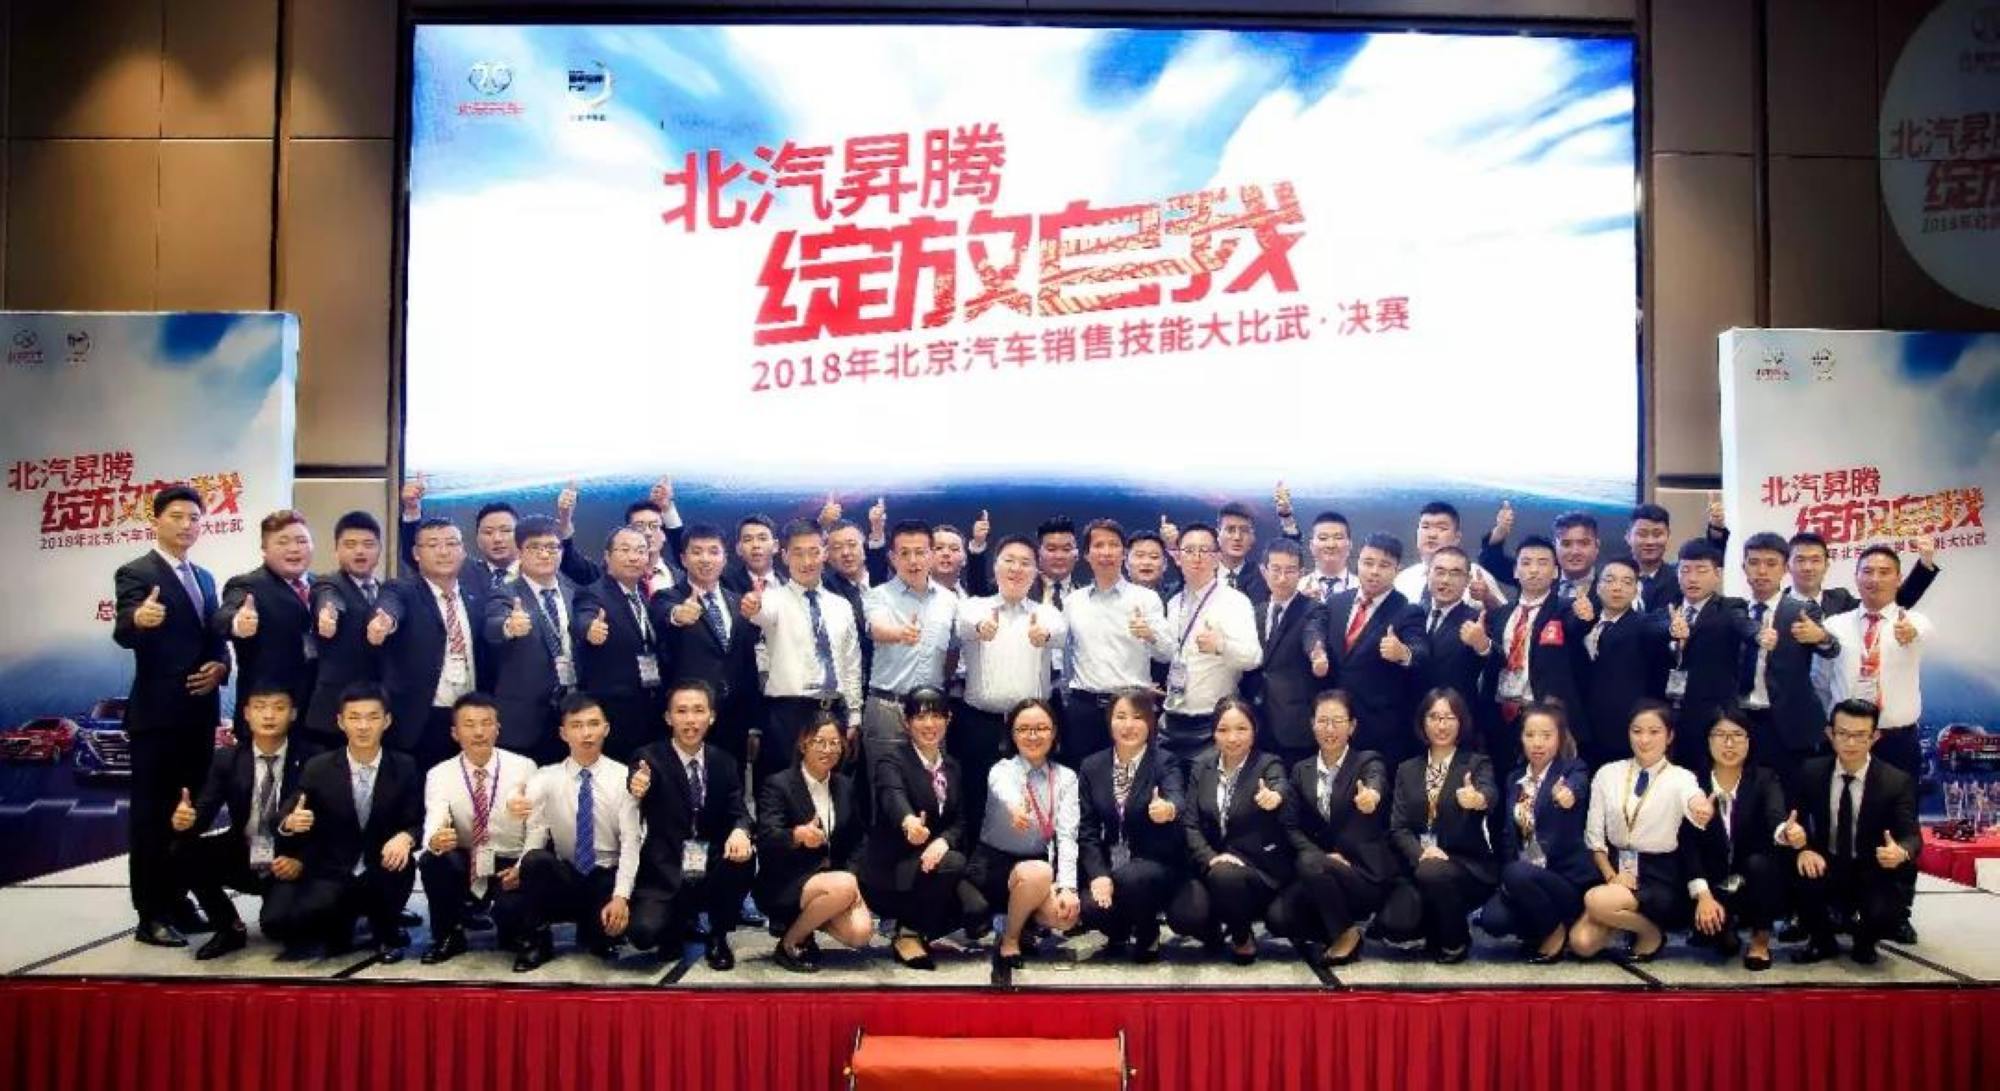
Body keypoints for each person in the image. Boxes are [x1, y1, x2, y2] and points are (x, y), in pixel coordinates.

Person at [113, 484, 230, 947]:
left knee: (190, 813)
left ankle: (179, 900)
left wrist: (220, 667)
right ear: (156, 520)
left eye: (195, 518)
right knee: (152, 816)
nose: (187, 525)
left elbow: (215, 637)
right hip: (158, 718)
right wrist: (137, 620)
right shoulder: (136, 571)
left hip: (199, 717)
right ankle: (151, 914)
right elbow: (125, 626)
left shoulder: (204, 577)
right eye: (177, 516)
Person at [262, 683, 421, 962]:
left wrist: (406, 837)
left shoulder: (405, 766)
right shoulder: (319, 767)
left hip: (382, 868)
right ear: (340, 721)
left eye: (372, 717)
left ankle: (385, 927)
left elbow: (417, 820)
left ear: (386, 721)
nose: (363, 726)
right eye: (354, 717)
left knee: (398, 864)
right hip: (333, 871)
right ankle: (343, 920)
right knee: (279, 925)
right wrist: (290, 822)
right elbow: (281, 818)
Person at [169, 682, 309, 960]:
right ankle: (229, 927)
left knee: (278, 927)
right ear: (246, 713)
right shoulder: (228, 758)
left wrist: (301, 860)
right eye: (260, 707)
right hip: (244, 851)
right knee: (182, 850)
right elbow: (204, 813)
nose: (269, 715)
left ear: (293, 713)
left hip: (289, 859)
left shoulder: (311, 760)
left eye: (279, 707)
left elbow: (331, 826)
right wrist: (185, 821)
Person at [1569, 700, 1715, 962]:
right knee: (1581, 944)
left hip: (1658, 873)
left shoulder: (1681, 777)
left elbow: (1693, 798)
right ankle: (1632, 923)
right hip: (1616, 869)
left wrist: (1701, 807)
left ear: (1669, 736)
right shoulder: (1607, 773)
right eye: (1637, 731)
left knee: (1596, 901)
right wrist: (1612, 876)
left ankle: (1649, 933)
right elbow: (1594, 838)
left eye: (1654, 732)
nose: (1644, 739)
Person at [626, 680, 755, 970]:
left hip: (710, 863)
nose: (690, 719)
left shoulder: (724, 761)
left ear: (712, 716)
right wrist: (637, 783)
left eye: (698, 710)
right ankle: (677, 922)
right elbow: (637, 778)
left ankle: (718, 935)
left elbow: (739, 811)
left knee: (744, 856)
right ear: (668, 717)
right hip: (666, 867)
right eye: (681, 711)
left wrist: (740, 830)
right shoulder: (649, 758)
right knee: (643, 934)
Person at [511, 693, 643, 971]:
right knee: (535, 861)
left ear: (606, 728)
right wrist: (521, 864)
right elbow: (535, 825)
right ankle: (537, 942)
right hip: (568, 873)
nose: (586, 733)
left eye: (593, 724)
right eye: (577, 725)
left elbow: (631, 843)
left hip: (605, 875)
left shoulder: (623, 778)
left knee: (602, 940)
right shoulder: (547, 776)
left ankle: (594, 927)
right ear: (563, 733)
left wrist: (621, 897)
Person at [1784, 699, 1921, 966]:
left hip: (1873, 865)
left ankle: (1865, 941)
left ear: (1875, 737)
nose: (1850, 743)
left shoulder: (1895, 781)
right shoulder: (1811, 771)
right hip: (1826, 861)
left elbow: (1912, 836)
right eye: (1843, 734)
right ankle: (1821, 940)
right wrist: (1803, 847)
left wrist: (1900, 851)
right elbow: (1791, 818)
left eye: (1860, 735)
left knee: (1885, 909)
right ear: (1830, 734)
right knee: (1794, 866)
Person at [1267, 690, 1397, 968]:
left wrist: (1371, 796)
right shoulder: (1300, 770)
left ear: (1352, 726)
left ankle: (1346, 934)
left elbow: (1376, 781)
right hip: (1320, 872)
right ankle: (1339, 925)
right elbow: (1290, 826)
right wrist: (1322, 857)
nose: (1329, 729)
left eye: (1338, 721)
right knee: (1278, 918)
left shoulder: (1367, 761)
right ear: (1312, 724)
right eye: (1323, 721)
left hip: (1363, 874)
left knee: (1310, 864)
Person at [953, 535, 1067, 830]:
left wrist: (1044, 635)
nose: (1016, 568)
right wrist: (981, 628)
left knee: (1032, 801)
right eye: (1009, 561)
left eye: (1025, 563)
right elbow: (964, 625)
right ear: (995, 566)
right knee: (977, 797)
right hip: (981, 723)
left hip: (1031, 726)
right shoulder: (974, 606)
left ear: (1036, 571)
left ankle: (1033, 855)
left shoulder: (1046, 613)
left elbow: (1058, 633)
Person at [861, 687, 978, 970]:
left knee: (978, 913)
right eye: (920, 717)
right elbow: (892, 795)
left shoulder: (953, 767)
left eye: (937, 716)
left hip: (933, 861)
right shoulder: (891, 761)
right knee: (953, 863)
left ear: (948, 720)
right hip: (893, 867)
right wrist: (909, 822)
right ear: (906, 722)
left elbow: (960, 821)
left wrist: (942, 841)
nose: (929, 724)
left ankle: (922, 926)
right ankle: (908, 932)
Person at [1168, 697, 1292, 964]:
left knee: (1227, 877)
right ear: (1213, 733)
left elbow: (1280, 784)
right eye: (1223, 730)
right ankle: (1213, 930)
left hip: (1255, 869)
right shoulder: (1202, 765)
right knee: (1183, 916)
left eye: (1241, 729)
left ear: (1254, 730)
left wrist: (1275, 796)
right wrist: (1211, 858)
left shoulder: (1268, 764)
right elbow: (1190, 823)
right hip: (1212, 864)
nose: (1232, 738)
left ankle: (1241, 936)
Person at [415, 692, 536, 965]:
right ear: (455, 733)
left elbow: (537, 828)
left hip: (507, 859)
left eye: (486, 723)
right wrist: (434, 839)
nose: (479, 732)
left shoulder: (524, 767)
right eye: (469, 725)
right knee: (433, 860)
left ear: (498, 729)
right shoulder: (439, 774)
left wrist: (521, 866)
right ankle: (448, 935)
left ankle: (523, 933)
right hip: (466, 859)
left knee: (512, 919)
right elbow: (434, 816)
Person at [367, 517, 493, 771]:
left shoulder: (476, 596)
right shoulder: (402, 589)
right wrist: (385, 622)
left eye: (451, 544)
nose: (443, 552)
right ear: (416, 553)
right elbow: (390, 605)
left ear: (463, 551)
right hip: (422, 719)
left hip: (470, 718)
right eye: (433, 545)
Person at [1474, 701, 1593, 963]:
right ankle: (1541, 925)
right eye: (1530, 735)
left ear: (1560, 737)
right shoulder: (1514, 778)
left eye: (1546, 735)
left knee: (1516, 872)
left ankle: (1555, 931)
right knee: (1493, 919)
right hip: (1525, 877)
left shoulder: (1572, 769)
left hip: (1562, 879)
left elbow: (1578, 786)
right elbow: (1508, 836)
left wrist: (1569, 794)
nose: (1537, 743)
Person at [754, 712, 874, 973]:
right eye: (819, 741)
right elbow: (766, 838)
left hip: (835, 882)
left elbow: (859, 839)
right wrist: (796, 835)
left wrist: (850, 874)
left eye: (835, 743)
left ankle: (807, 924)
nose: (827, 750)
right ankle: (790, 943)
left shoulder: (846, 786)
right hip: (786, 882)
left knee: (860, 934)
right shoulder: (778, 784)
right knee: (844, 885)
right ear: (803, 744)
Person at [968, 699, 1082, 972]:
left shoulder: (1066, 777)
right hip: (993, 866)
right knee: (1037, 873)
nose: (1033, 736)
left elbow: (1067, 836)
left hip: (1037, 866)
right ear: (1012, 734)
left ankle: (1018, 922)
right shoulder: (1002, 770)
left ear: (1054, 732)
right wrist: (1016, 808)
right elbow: (1004, 790)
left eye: (1041, 728)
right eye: (1023, 729)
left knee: (1064, 916)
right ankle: (1011, 939)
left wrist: (1068, 887)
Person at [1076, 688, 1187, 963]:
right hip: (1113, 862)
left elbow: (1177, 796)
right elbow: (1088, 830)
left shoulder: (1164, 761)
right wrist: (1098, 874)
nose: (1128, 725)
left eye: (1138, 717)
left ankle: (1148, 932)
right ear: (1109, 721)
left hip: (1155, 863)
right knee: (1089, 905)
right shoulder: (1092, 766)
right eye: (1121, 716)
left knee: (1131, 878)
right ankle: (1120, 930)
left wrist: (1168, 809)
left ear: (1150, 722)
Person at [1388, 688, 1499, 963]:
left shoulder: (1475, 763)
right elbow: (1399, 827)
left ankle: (1456, 941)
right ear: (1422, 722)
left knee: (1433, 872)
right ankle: (1434, 927)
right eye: (1434, 717)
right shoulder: (1407, 769)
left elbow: (1489, 793)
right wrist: (1421, 853)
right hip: (1423, 860)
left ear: (1461, 722)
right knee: (1393, 923)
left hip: (1467, 865)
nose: (1442, 725)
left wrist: (1478, 799)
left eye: (1449, 717)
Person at [744, 520, 863, 775]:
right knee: (786, 787)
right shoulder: (772, 600)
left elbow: (851, 663)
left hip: (834, 710)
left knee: (833, 787)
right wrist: (754, 607)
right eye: (798, 553)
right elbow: (760, 615)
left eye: (814, 552)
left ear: (825, 553)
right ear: (785, 556)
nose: (807, 561)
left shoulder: (841, 606)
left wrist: (854, 714)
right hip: (788, 713)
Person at [1467, 536, 1586, 767]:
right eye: (1526, 562)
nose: (1533, 570)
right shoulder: (1500, 614)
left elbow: (1577, 627)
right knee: (1501, 779)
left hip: (1544, 717)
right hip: (1500, 715)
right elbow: (1492, 661)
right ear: (1515, 571)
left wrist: (1585, 617)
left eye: (1542, 563)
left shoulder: (1566, 609)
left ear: (1555, 572)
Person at [1308, 533, 1424, 766]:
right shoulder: (1336, 602)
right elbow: (1315, 628)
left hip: (1379, 730)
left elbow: (1421, 651)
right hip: (1333, 725)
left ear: (1397, 569)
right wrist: (1316, 649)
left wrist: (1403, 653)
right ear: (1357, 562)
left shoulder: (1407, 610)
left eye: (1384, 565)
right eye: (1368, 563)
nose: (1374, 571)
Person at [650, 524, 762, 765]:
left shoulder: (739, 603)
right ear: (683, 559)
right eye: (697, 551)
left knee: (731, 782)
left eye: (713, 551)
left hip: (735, 719)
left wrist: (754, 722)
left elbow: (749, 664)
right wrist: (678, 614)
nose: (705, 559)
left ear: (725, 558)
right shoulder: (667, 597)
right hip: (689, 718)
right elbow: (664, 614)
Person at [1062, 519, 1172, 761]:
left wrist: (1150, 635)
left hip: (1131, 707)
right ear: (1086, 555)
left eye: (1113, 545)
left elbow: (1167, 654)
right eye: (1098, 545)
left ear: (1124, 553)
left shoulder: (1146, 599)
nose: (1106, 552)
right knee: (1084, 776)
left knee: (1134, 776)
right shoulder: (1073, 602)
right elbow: (1066, 656)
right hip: (1084, 708)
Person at [1688, 709, 1790, 971]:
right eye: (1720, 735)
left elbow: (1776, 817)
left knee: (1760, 865)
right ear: (1708, 740)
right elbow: (1688, 845)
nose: (1729, 743)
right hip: (1711, 882)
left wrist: (1785, 832)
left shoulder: (1764, 778)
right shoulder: (1692, 783)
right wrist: (1703, 896)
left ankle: (1760, 939)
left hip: (1748, 877)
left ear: (1749, 741)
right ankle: (1725, 928)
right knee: (1711, 937)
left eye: (1737, 735)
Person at [1733, 533, 1840, 780]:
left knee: (1791, 794)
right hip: (1742, 720)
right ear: (1744, 567)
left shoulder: (1803, 611)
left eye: (1771, 564)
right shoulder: (1735, 611)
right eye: (1754, 562)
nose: (1762, 571)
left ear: (1785, 569)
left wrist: (1821, 637)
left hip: (1787, 723)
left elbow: (1832, 649)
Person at [1820, 546, 1933, 780]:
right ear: (1856, 577)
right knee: (1843, 800)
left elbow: (1924, 633)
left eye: (1884, 572)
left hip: (1897, 739)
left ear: (1899, 579)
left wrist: (1911, 632)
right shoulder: (1834, 625)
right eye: (1867, 571)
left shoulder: (1914, 621)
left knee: (1901, 801)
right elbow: (1821, 680)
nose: (1875, 579)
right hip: (1845, 737)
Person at [1650, 539, 1757, 769]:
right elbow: (1651, 628)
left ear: (1717, 574)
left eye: (1701, 570)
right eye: (1685, 570)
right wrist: (1671, 628)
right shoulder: (1667, 610)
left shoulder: (1730, 608)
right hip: (1668, 716)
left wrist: (1759, 634)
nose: (1692, 578)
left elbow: (1744, 625)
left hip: (1710, 716)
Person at [1158, 523, 1262, 761]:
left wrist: (1221, 647)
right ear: (1178, 557)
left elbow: (1253, 658)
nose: (1197, 557)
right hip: (1172, 718)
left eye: (1204, 550)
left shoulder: (1235, 602)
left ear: (1217, 558)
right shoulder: (1173, 603)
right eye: (1189, 550)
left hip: (1214, 722)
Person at [860, 520, 960, 767]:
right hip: (888, 707)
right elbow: (876, 629)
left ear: (931, 554)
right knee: (885, 784)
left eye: (920, 552)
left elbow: (953, 652)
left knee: (932, 783)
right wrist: (900, 634)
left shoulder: (949, 600)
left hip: (932, 710)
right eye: (904, 553)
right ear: (892, 558)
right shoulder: (877, 595)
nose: (913, 561)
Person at [483, 516, 581, 764]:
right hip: (523, 720)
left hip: (570, 714)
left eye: (552, 547)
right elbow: (492, 627)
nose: (545, 554)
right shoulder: (505, 594)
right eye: (535, 547)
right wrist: (509, 626)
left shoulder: (574, 594)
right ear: (519, 552)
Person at [215, 511, 320, 742]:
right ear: (264, 549)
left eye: (301, 541)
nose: (294, 549)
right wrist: (237, 623)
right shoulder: (247, 584)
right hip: (268, 714)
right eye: (283, 542)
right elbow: (222, 617)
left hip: (317, 715)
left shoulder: (321, 585)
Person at [571, 525, 667, 763]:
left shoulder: (642, 597)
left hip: (648, 709)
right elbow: (584, 618)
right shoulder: (593, 594)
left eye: (640, 551)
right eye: (625, 550)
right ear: (607, 556)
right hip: (614, 714)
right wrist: (590, 629)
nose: (634, 557)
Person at [1572, 558, 1668, 768]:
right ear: (1598, 587)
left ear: (1635, 591)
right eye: (1610, 580)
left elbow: (1659, 629)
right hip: (1584, 730)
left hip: (1624, 731)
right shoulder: (1584, 622)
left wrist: (1673, 630)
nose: (1617, 587)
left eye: (1627, 582)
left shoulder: (1643, 624)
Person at [305, 511, 386, 751]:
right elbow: (328, 600)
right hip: (334, 714)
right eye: (350, 545)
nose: (360, 551)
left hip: (375, 708)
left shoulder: (384, 591)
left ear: (379, 549)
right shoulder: (327, 583)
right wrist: (327, 616)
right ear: (336, 550)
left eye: (368, 544)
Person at [1243, 539, 1321, 767]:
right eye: (1276, 569)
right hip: (1255, 721)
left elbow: (1313, 634)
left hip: (1293, 724)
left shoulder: (1313, 609)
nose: (1282, 578)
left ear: (1301, 573)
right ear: (1263, 571)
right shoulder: (1253, 612)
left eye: (1290, 570)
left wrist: (1317, 654)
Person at [398, 479, 519, 590]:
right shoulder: (461, 572)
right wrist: (412, 509)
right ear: (478, 539)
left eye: (505, 530)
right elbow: (421, 557)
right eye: (488, 532)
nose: (497, 539)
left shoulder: (530, 570)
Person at [1410, 547, 1486, 719]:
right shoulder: (1412, 613)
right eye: (1440, 572)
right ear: (1428, 574)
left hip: (1453, 717)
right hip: (1409, 716)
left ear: (1467, 580)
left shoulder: (1477, 620)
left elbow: (1497, 661)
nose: (1445, 580)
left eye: (1455, 574)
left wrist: (1483, 646)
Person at [1392, 502, 1505, 609]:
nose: (1432, 534)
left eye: (1442, 528)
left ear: (1457, 537)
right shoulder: (1403, 578)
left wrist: (1488, 598)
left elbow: (1505, 617)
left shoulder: (1476, 575)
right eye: (1425, 527)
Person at [1479, 507, 1603, 605]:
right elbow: (1490, 561)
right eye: (1566, 544)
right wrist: (1500, 532)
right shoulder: (1538, 574)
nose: (1575, 551)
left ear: (1596, 546)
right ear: (1555, 546)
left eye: (1584, 543)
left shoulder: (1607, 590)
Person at [1626, 500, 1729, 611]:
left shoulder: (1680, 576)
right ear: (1628, 537)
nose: (1650, 541)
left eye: (1657, 534)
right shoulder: (1615, 578)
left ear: (1668, 537)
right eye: (1642, 534)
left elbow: (1711, 556)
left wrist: (1716, 527)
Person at [1297, 510, 1358, 603]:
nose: (1331, 545)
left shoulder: (1363, 589)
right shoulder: (1297, 588)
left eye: (1338, 538)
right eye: (1323, 538)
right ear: (1311, 546)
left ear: (1350, 545)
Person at [1214, 501, 1267, 600]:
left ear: (1253, 537)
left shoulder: (1263, 578)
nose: (1237, 537)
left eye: (1244, 530)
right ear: (1218, 534)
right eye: (1230, 530)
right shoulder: (1202, 573)